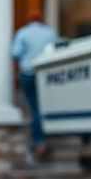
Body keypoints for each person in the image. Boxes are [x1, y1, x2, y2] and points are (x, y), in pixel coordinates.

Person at [11, 12, 57, 160]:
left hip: (28, 73)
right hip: (46, 74)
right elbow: (57, 50)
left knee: (35, 108)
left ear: (29, 21)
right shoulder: (50, 33)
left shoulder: (23, 33)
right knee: (43, 107)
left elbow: (15, 53)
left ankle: (39, 142)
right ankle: (42, 140)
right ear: (41, 20)